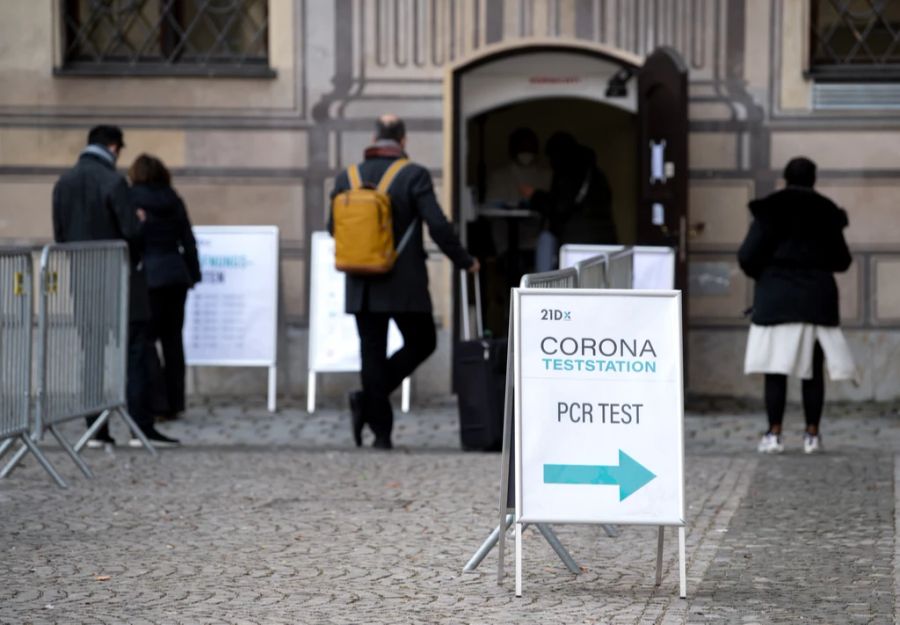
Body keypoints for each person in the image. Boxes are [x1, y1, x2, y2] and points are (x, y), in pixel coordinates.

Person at [330, 114, 479, 450]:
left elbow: (331, 229)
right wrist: (465, 261)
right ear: (403, 140)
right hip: (403, 281)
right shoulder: (413, 175)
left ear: (373, 137)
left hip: (360, 281)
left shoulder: (346, 177)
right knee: (423, 341)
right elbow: (437, 225)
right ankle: (368, 402)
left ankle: (380, 433)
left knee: (371, 352)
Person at [52, 125, 180, 448]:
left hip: (83, 281)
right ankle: (141, 428)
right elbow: (132, 233)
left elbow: (60, 234)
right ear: (112, 147)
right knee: (135, 353)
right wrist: (139, 220)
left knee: (92, 356)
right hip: (121, 281)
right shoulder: (112, 181)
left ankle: (96, 431)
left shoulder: (63, 183)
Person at [738, 157, 856, 455]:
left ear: (785, 177)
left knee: (774, 369)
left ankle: (774, 433)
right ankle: (812, 435)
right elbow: (842, 260)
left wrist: (767, 275)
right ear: (813, 179)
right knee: (812, 370)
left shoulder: (770, 209)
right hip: (816, 299)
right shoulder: (827, 211)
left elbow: (747, 255)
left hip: (776, 297)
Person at [128, 154, 201, 423]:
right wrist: (193, 274)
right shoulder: (172, 198)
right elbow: (188, 240)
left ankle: (156, 402)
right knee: (173, 340)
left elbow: (132, 236)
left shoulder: (132, 198)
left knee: (147, 341)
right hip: (175, 274)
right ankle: (175, 402)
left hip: (148, 276)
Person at [530, 131, 616, 270]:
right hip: (602, 242)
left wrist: (535, 196)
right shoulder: (594, 173)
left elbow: (560, 206)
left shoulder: (568, 172)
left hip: (577, 244)